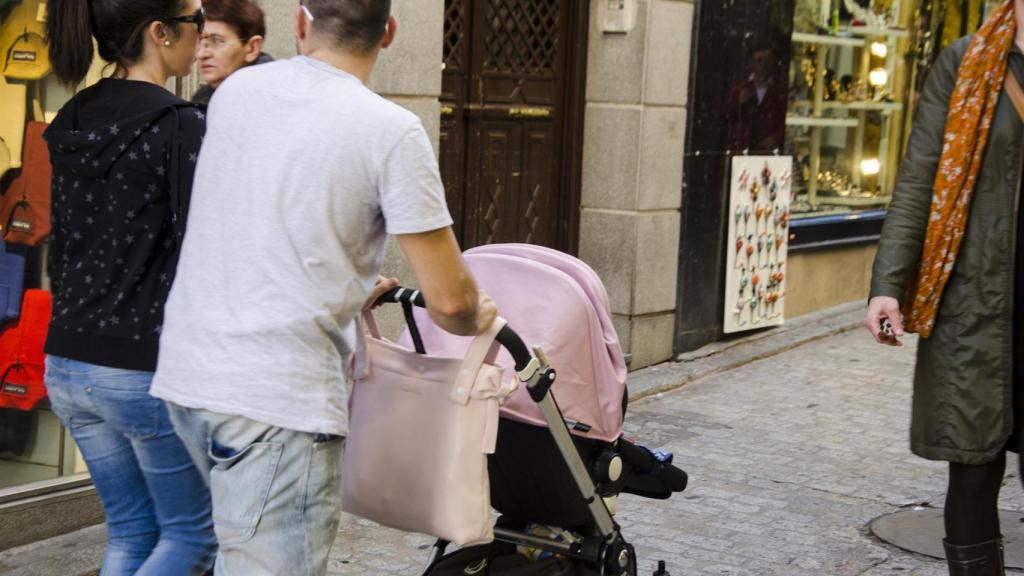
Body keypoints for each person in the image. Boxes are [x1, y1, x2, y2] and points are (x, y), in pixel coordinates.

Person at [149, 1, 497, 574]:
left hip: (188, 377)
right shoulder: (390, 131)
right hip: (275, 400)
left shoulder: (236, 93)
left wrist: (339, 281)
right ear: (388, 33)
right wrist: (479, 314)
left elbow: (266, 216)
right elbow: (452, 301)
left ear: (302, 24)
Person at [43, 1, 215, 574]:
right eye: (197, 19)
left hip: (67, 360)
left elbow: (63, 247)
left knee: (132, 534)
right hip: (138, 369)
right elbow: (205, 249)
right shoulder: (178, 123)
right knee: (192, 536)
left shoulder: (72, 115)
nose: (204, 32)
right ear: (161, 33)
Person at [865, 1, 1024, 573]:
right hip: (975, 303)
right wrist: (888, 284)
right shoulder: (966, 64)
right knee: (973, 467)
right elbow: (918, 180)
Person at [190, 0, 272, 105]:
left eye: (216, 41)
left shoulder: (273, 99)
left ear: (252, 48)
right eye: (200, 41)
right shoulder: (202, 98)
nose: (201, 54)